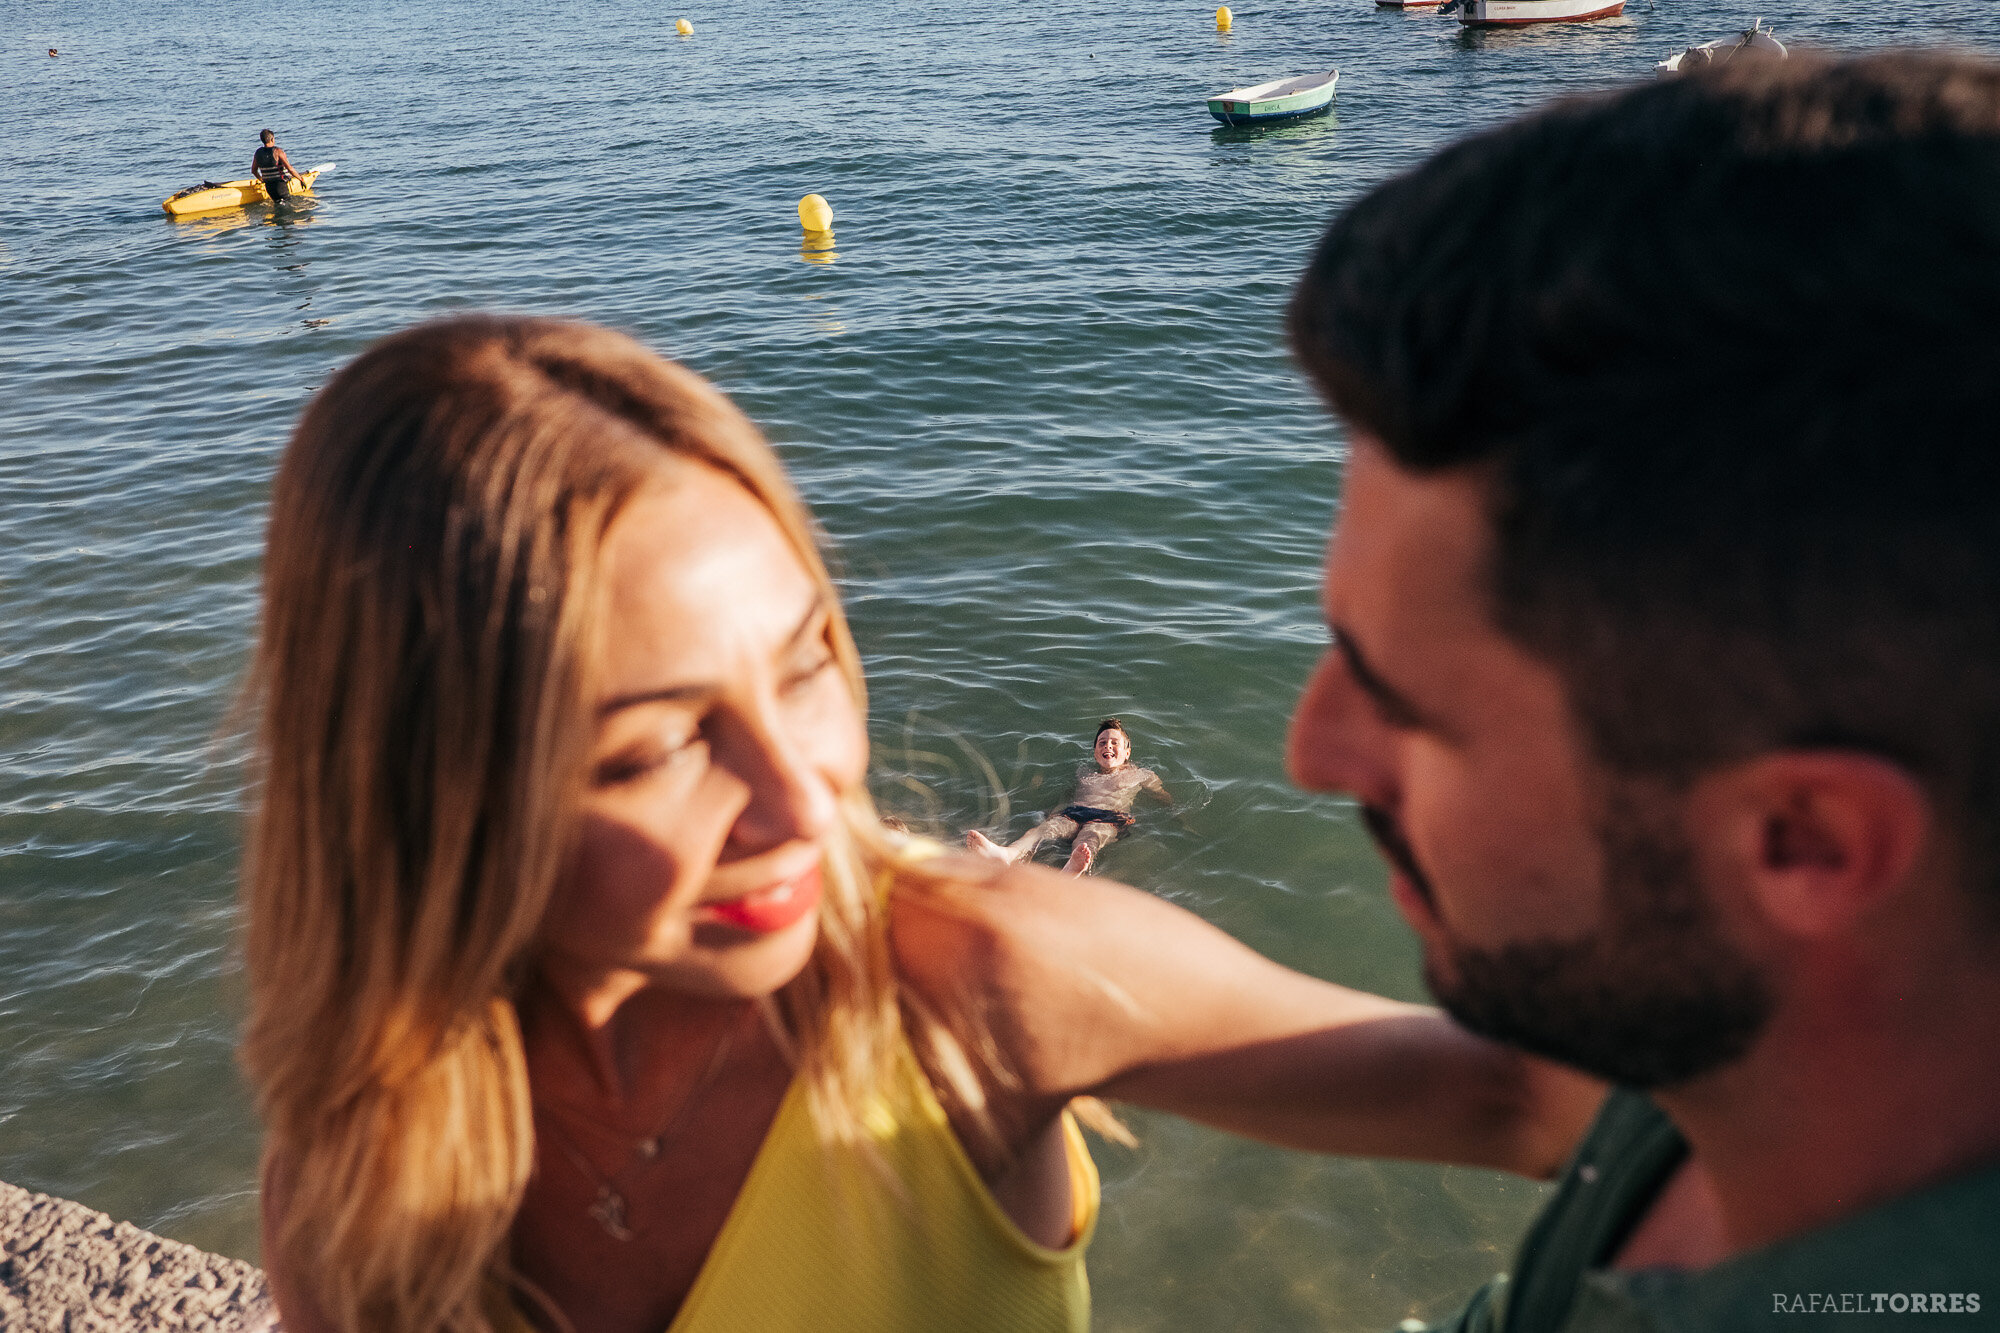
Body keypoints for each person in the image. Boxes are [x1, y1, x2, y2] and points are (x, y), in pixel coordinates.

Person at [242, 315, 1596, 1333]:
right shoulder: (362, 1173)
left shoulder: (982, 984)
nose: (808, 793)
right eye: (658, 745)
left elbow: (1542, 1102)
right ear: (424, 787)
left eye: (806, 664)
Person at [1280, 52, 2000, 1329]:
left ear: (1804, 842)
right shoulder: (1743, 1054)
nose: (1313, 749)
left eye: (1404, 703)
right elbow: (1530, 1099)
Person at [965, 718, 1171, 873]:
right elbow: (1069, 796)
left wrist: (1173, 812)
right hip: (1074, 812)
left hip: (1108, 818)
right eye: (1102, 743)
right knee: (1039, 831)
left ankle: (1072, 869)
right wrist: (1055, 814)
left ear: (1127, 752)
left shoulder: (1141, 774)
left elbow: (1162, 796)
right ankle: (1007, 854)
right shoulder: (1084, 772)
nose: (1108, 745)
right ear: (1095, 753)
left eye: (1114, 743)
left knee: (1087, 841)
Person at [251, 129, 301, 207]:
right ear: (272, 139)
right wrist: (301, 179)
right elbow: (290, 169)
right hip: (280, 186)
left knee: (278, 204)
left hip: (269, 187)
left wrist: (261, 179)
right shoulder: (277, 151)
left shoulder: (258, 153)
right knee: (288, 205)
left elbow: (254, 171)